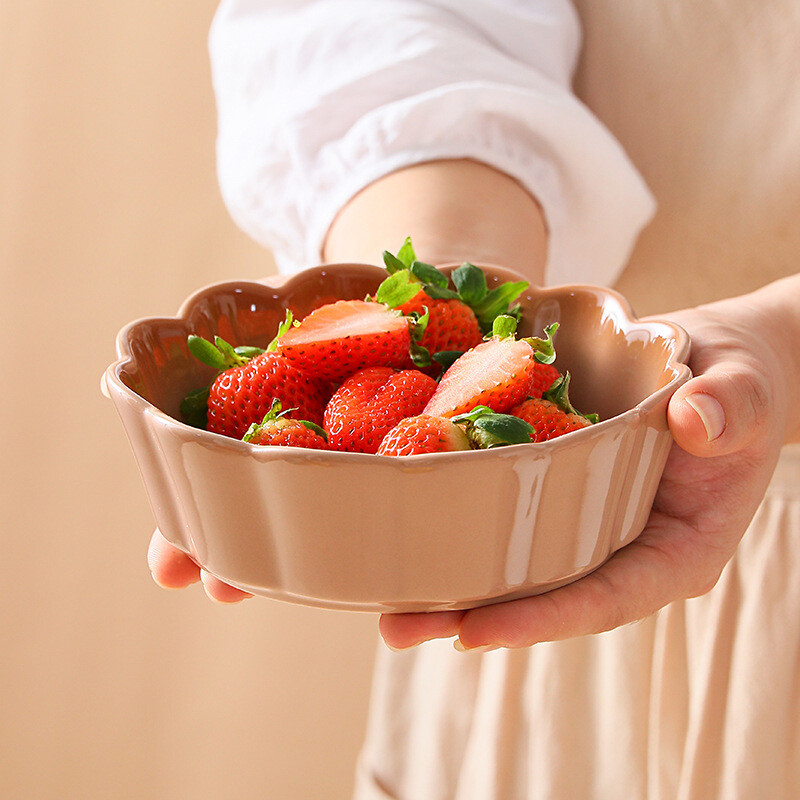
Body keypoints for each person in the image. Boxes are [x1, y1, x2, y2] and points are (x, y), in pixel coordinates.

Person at [150, 1, 800, 797]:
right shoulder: (473, 445)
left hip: (605, 490)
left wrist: (784, 337)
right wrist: (454, 284)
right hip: (540, 522)